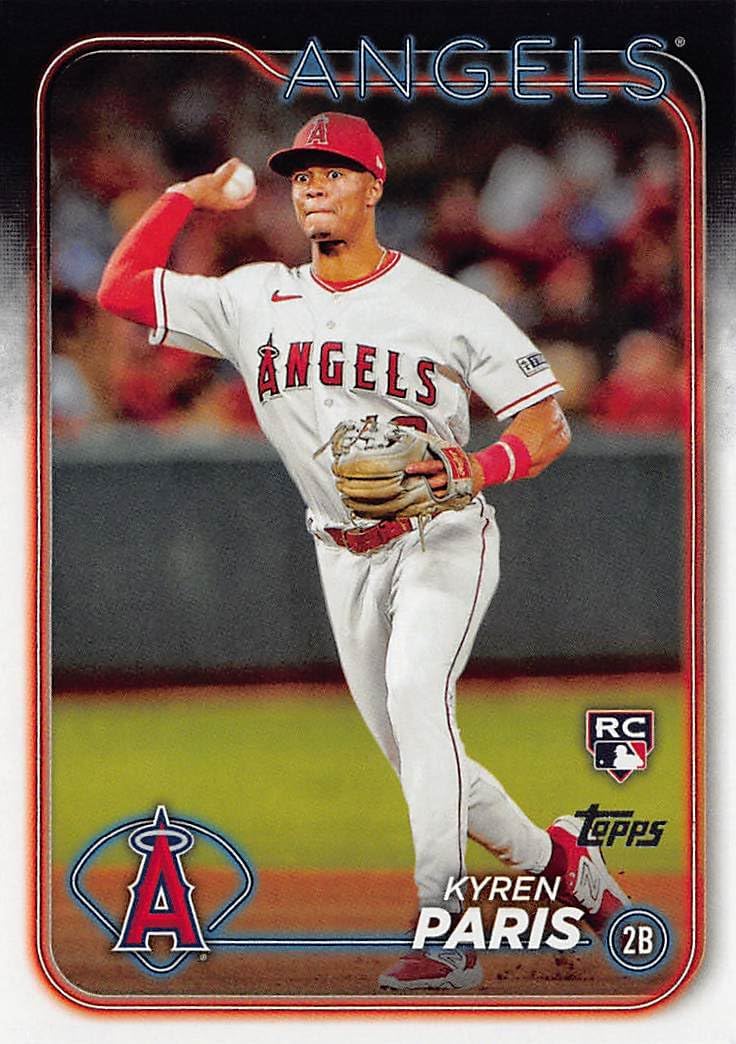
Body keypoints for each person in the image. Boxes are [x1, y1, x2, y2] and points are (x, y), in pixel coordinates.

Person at [97, 111, 629, 992]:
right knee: (422, 758)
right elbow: (121, 289)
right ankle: (562, 863)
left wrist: (475, 466)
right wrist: (183, 197)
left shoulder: (444, 305)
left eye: (333, 173)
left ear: (374, 186)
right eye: (302, 176)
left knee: (419, 697)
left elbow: (547, 425)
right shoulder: (251, 297)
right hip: (340, 551)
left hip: (441, 534)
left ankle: (445, 934)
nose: (313, 188)